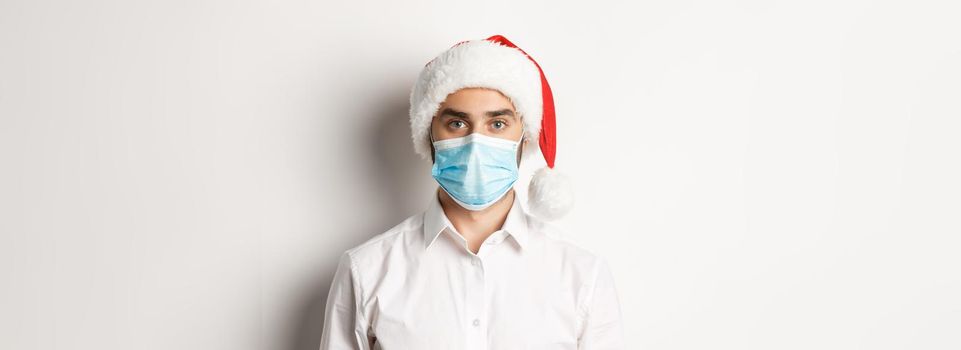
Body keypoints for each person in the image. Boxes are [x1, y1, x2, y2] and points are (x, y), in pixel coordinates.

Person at [319, 35, 625, 350]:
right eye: (457, 124)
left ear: (524, 136)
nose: (476, 143)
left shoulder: (582, 274)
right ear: (429, 134)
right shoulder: (367, 269)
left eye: (497, 124)